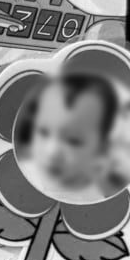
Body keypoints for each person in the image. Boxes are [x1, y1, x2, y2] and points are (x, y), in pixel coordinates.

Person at [16, 73, 119, 203]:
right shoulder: (22, 174)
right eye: (44, 132)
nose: (52, 150)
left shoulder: (99, 201)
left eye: (73, 140)